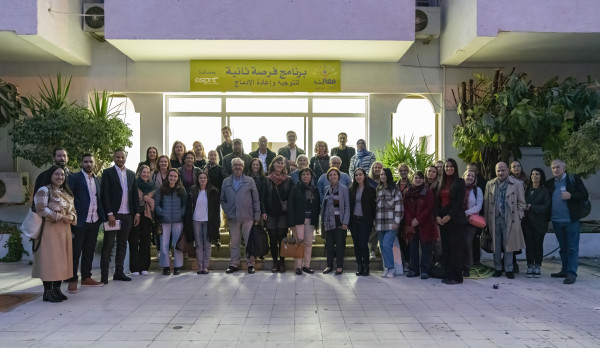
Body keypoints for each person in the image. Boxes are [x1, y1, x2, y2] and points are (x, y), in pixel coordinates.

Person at [33, 166, 77, 302]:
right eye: (57, 174)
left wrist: (72, 218)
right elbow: (40, 209)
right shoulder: (44, 190)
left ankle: (57, 290)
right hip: (49, 230)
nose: (60, 177)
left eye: (62, 175)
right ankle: (48, 291)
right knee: (49, 261)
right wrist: (60, 217)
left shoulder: (65, 192)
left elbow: (73, 210)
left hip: (64, 231)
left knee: (62, 261)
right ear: (50, 175)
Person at [66, 154, 105, 293]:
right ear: (81, 163)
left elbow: (99, 199)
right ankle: (72, 279)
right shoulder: (74, 178)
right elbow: (68, 198)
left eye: (91, 162)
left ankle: (86, 278)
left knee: (89, 250)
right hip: (79, 221)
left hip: (94, 220)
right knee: (75, 252)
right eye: (86, 162)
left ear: (94, 163)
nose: (88, 164)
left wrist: (102, 217)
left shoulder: (97, 180)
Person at [546, 159, 589, 285]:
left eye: (558, 167)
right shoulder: (549, 183)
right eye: (553, 168)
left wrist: (571, 196)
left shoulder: (573, 179)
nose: (555, 170)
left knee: (572, 248)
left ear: (564, 168)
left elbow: (584, 194)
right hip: (556, 221)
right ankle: (564, 270)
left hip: (571, 220)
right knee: (563, 248)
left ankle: (571, 273)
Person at [100, 149, 140, 284]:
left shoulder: (131, 174)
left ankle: (119, 272)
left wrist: (137, 213)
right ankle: (104, 275)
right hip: (114, 215)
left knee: (123, 244)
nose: (120, 159)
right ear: (114, 157)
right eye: (118, 157)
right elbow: (104, 194)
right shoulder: (107, 173)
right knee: (109, 244)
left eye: (122, 157)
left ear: (126, 157)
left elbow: (134, 195)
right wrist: (109, 214)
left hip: (128, 215)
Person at [484, 162, 526, 280]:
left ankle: (509, 269)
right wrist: (486, 221)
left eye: (503, 170)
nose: (500, 173)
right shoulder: (490, 184)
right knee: (496, 245)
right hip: (494, 218)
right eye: (498, 171)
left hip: (510, 218)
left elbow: (521, 203)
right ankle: (497, 268)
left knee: (509, 244)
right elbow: (487, 203)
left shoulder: (517, 184)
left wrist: (518, 217)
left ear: (508, 170)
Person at [221, 158, 261, 274]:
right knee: (234, 242)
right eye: (235, 165)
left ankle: (250, 264)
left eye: (240, 165)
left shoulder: (249, 181)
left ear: (243, 167)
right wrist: (227, 210)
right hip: (233, 217)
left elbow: (256, 199)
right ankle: (234, 264)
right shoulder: (226, 182)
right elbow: (222, 199)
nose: (237, 167)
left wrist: (257, 214)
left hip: (248, 216)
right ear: (232, 167)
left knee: (249, 242)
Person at [437, 158, 468, 285]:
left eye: (451, 166)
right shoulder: (441, 183)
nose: (448, 168)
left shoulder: (460, 182)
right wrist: (438, 216)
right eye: (446, 167)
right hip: (443, 220)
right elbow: (437, 202)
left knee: (456, 249)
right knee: (446, 248)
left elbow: (459, 203)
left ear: (455, 168)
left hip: (455, 219)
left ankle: (457, 276)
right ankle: (448, 274)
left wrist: (449, 216)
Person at [403, 171, 437, 279]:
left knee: (426, 248)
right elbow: (405, 208)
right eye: (416, 178)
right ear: (412, 179)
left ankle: (425, 271)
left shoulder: (428, 192)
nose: (417, 180)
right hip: (412, 225)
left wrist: (418, 219)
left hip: (425, 224)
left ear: (423, 180)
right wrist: (410, 220)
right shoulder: (408, 192)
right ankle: (414, 270)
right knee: (413, 248)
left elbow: (429, 208)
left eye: (420, 178)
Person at [287, 167, 321, 275]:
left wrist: (316, 222)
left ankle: (306, 265)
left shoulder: (314, 189)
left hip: (310, 220)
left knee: (308, 243)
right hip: (299, 220)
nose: (306, 176)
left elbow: (317, 207)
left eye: (308, 174)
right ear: (300, 177)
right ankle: (298, 267)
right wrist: (291, 223)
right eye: (303, 175)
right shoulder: (296, 188)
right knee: (299, 242)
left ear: (311, 177)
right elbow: (290, 206)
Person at [263, 155, 292, 273]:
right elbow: (262, 197)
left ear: (284, 166)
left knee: (282, 239)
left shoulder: (289, 180)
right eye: (277, 162)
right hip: (270, 213)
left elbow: (291, 197)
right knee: (273, 238)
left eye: (282, 163)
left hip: (283, 214)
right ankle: (275, 262)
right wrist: (263, 211)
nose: (279, 165)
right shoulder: (266, 179)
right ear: (273, 164)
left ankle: (282, 263)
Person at [155, 168, 187, 276]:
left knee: (177, 245)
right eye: (171, 176)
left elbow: (185, 204)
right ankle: (166, 266)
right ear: (168, 177)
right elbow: (157, 204)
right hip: (165, 221)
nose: (172, 178)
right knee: (164, 245)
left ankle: (177, 266)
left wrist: (182, 213)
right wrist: (161, 212)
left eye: (175, 176)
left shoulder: (181, 190)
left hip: (178, 221)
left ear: (178, 178)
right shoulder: (161, 190)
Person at [188, 172, 221, 274]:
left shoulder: (213, 191)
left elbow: (216, 209)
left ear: (207, 179)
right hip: (196, 220)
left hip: (208, 221)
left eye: (204, 178)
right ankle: (200, 266)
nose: (202, 180)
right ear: (197, 179)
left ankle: (205, 266)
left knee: (207, 244)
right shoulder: (193, 190)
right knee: (198, 244)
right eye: (200, 178)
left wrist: (217, 222)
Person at [321, 167, 350, 275]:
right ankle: (329, 266)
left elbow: (347, 206)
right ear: (328, 177)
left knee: (340, 245)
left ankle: (339, 266)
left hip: (340, 222)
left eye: (335, 175)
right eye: (330, 175)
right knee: (329, 245)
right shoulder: (326, 189)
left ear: (338, 176)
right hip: (328, 222)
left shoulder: (344, 189)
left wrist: (345, 222)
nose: (333, 177)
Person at [375, 168, 403, 278]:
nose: (382, 176)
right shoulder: (379, 189)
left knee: (387, 245)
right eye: (381, 174)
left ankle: (392, 269)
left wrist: (397, 221)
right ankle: (387, 267)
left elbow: (399, 206)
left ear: (388, 176)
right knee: (382, 246)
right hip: (380, 224)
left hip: (391, 223)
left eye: (384, 174)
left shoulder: (394, 189)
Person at [523, 168, 550, 278]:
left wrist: (532, 207)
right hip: (527, 222)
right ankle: (530, 266)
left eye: (537, 174)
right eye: (533, 174)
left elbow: (546, 207)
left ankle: (537, 266)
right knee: (529, 245)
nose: (534, 176)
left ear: (541, 176)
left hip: (539, 223)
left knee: (538, 245)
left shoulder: (545, 191)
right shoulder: (526, 189)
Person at [349, 168, 376, 276]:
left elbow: (374, 207)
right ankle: (359, 265)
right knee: (356, 244)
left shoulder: (371, 189)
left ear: (364, 176)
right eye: (356, 175)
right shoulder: (351, 189)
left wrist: (373, 220)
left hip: (366, 221)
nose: (358, 177)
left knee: (363, 243)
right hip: (354, 220)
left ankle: (366, 265)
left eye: (360, 174)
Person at [129, 165, 155, 277]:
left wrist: (148, 200)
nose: (145, 174)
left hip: (147, 216)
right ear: (139, 173)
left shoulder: (152, 186)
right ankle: (134, 267)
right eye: (143, 172)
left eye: (147, 172)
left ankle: (144, 266)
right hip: (135, 215)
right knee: (134, 242)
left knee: (145, 242)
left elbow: (154, 203)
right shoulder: (134, 184)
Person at [462, 169, 483, 277]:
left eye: (472, 176)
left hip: (471, 221)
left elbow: (478, 206)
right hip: (458, 220)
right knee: (459, 243)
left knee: (467, 243)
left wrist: (465, 212)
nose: (470, 177)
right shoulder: (459, 188)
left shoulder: (477, 190)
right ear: (464, 175)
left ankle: (467, 267)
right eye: (468, 175)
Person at [396, 163, 412, 271]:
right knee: (400, 239)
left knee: (408, 240)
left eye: (405, 170)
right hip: (397, 215)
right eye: (401, 170)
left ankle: (408, 261)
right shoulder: (395, 184)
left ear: (408, 171)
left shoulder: (412, 185)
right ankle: (401, 261)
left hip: (408, 215)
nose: (403, 172)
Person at [367, 161, 384, 260]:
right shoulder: (368, 181)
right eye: (375, 168)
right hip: (371, 209)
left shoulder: (385, 181)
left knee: (379, 229)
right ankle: (372, 249)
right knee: (372, 230)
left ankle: (379, 249)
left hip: (383, 210)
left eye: (379, 167)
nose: (377, 169)